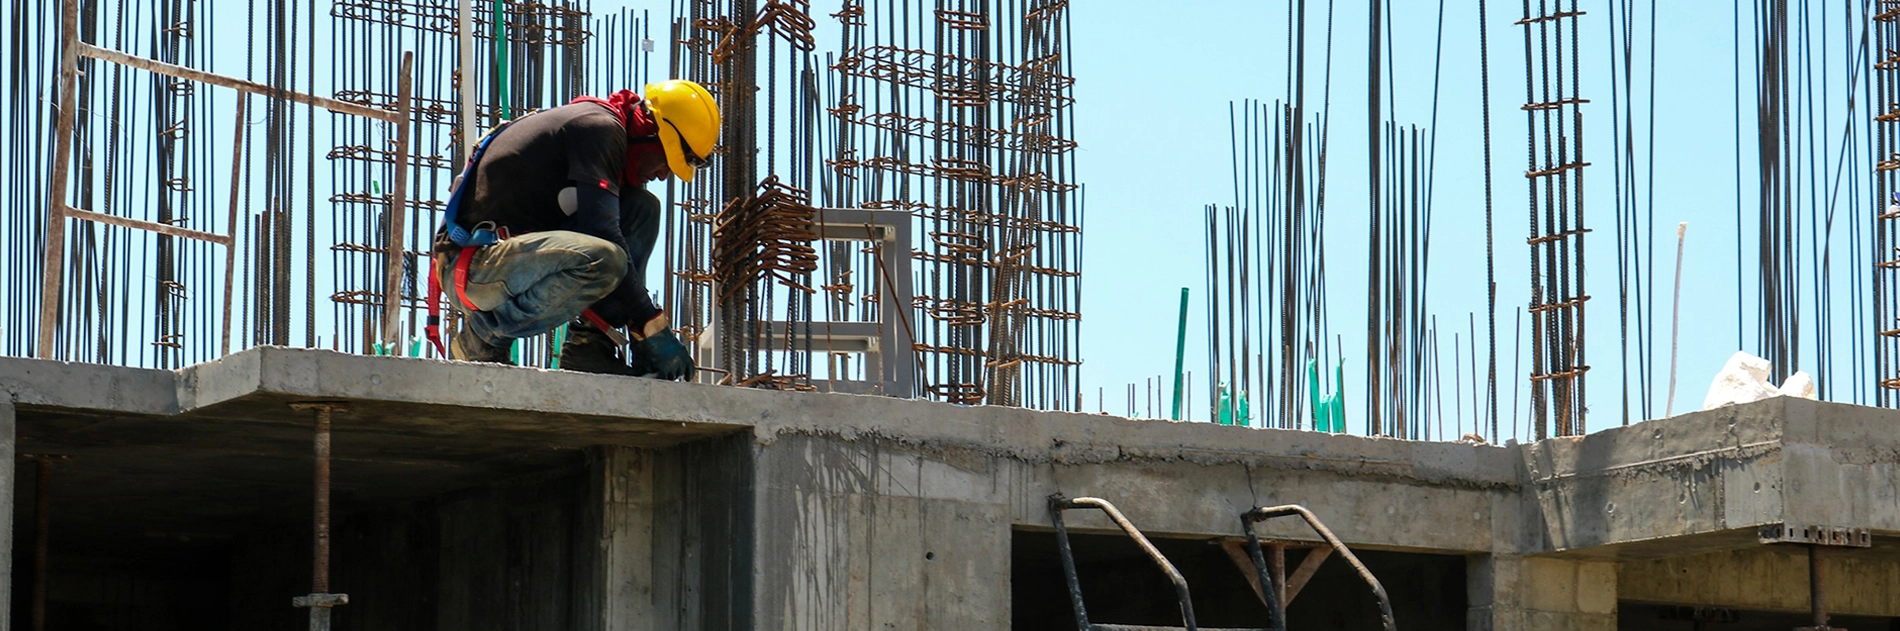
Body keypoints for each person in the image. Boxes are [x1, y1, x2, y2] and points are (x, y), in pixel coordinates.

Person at [427, 80, 719, 379]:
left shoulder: (602, 130)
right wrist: (651, 324)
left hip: (510, 259)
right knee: (605, 258)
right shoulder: (599, 129)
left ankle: (589, 347)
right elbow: (603, 233)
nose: (662, 174)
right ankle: (484, 337)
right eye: (666, 161)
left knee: (642, 209)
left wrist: (638, 329)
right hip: (475, 266)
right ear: (649, 134)